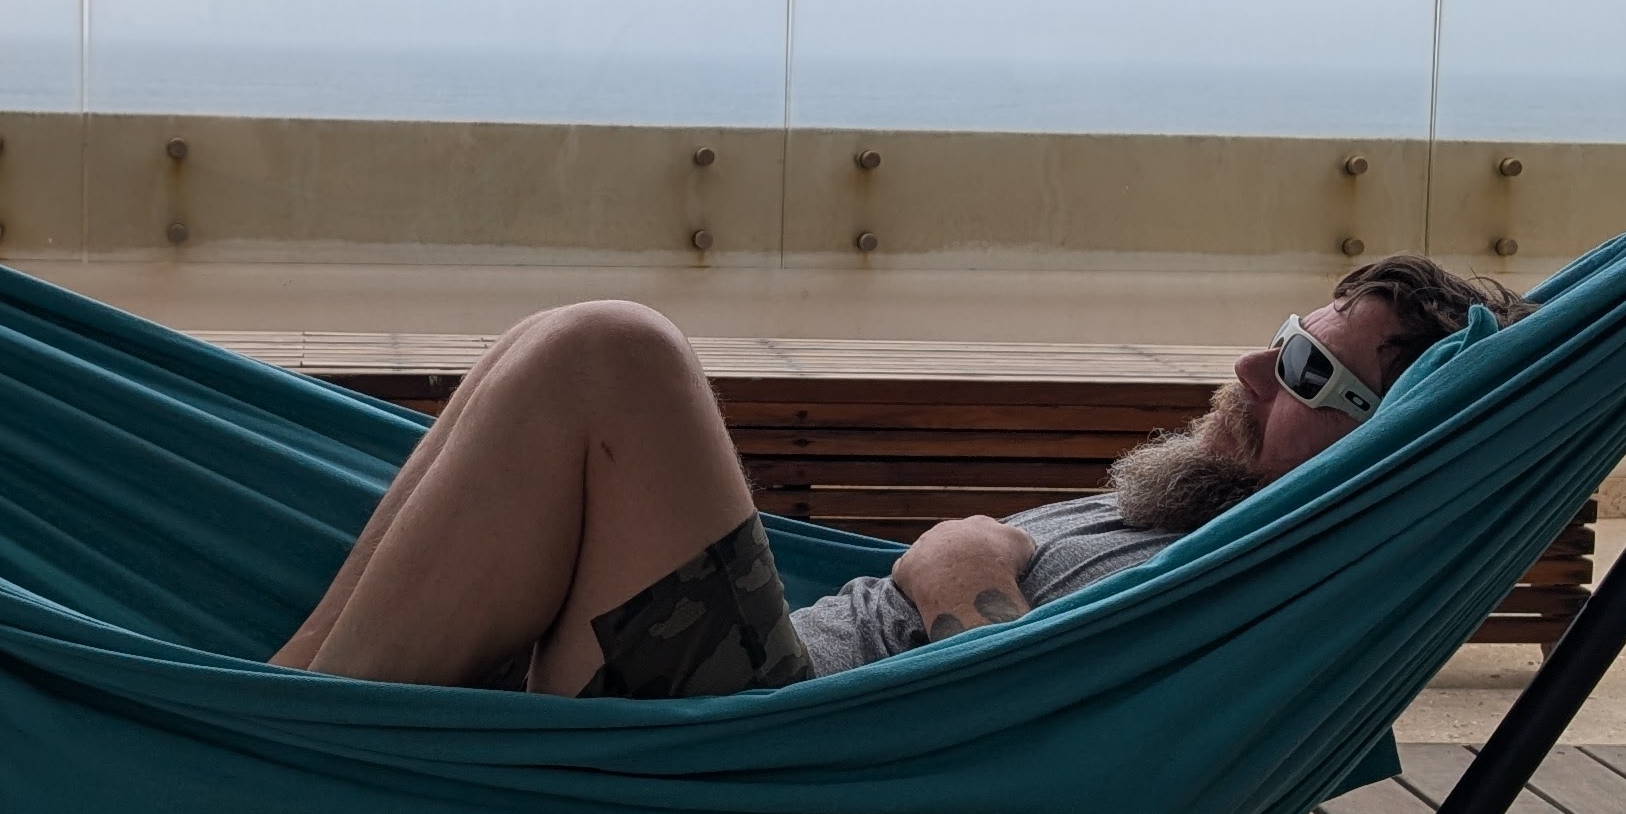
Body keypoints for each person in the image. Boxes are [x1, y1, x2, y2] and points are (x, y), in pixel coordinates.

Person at [271, 253, 1519, 698]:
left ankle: (288, 746)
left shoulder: (1239, 573)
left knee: (610, 352)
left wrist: (963, 565)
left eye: (1310, 376)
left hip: (750, 751)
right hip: (714, 678)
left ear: (1376, 449)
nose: (1252, 366)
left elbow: (1024, 728)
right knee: (529, 358)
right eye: (1289, 336)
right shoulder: (1179, 501)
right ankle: (275, 701)